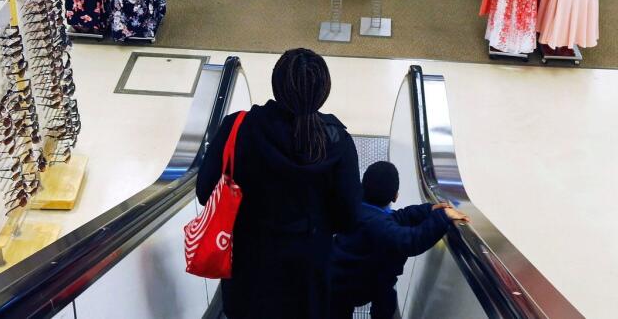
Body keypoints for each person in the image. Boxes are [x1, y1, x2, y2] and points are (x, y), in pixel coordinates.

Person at [196, 48, 362, 319]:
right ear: (323, 92)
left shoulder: (237, 128)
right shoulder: (338, 142)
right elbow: (350, 218)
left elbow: (205, 192)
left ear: (276, 84)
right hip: (308, 273)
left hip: (249, 268)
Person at [328, 161, 470, 319]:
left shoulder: (362, 210)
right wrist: (443, 217)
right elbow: (410, 241)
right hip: (350, 283)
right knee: (379, 302)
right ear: (395, 196)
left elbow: (397, 217)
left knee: (383, 299)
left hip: (346, 277)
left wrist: (427, 210)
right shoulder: (378, 224)